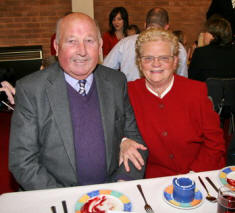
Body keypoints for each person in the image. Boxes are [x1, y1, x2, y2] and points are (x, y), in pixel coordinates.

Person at [9, 12, 148, 191]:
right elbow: (22, 161)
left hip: (112, 192)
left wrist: (121, 184)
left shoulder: (116, 82)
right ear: (57, 47)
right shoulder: (31, 89)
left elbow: (134, 138)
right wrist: (67, 198)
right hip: (57, 197)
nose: (82, 51)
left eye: (89, 41)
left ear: (100, 46)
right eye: (72, 41)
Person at [120, 28, 225, 178]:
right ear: (139, 62)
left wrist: (193, 175)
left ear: (175, 61)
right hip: (153, 181)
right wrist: (123, 141)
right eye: (148, 58)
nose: (156, 64)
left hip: (197, 174)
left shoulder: (196, 91)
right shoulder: (128, 93)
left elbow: (215, 143)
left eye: (164, 58)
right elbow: (110, 130)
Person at [103, 7, 188, 82]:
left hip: (129, 96)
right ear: (166, 27)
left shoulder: (125, 43)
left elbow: (105, 70)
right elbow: (182, 80)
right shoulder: (179, 47)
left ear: (145, 25)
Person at [188, 17, 235, 81]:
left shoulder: (200, 53)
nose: (204, 35)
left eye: (206, 32)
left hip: (206, 90)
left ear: (213, 35)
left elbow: (192, 79)